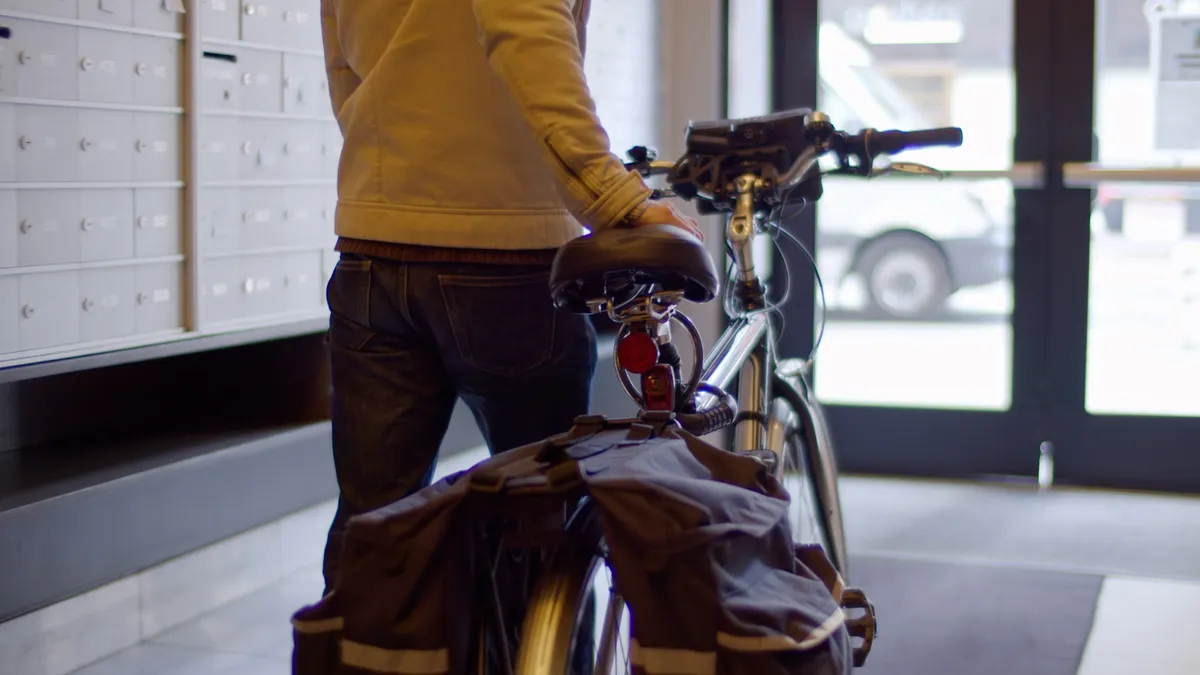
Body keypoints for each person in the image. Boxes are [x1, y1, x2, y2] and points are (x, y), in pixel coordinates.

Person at [317, 0, 702, 592]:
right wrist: (614, 198)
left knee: (373, 531)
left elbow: (346, 63)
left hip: (374, 246)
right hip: (503, 253)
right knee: (541, 536)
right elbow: (528, 32)